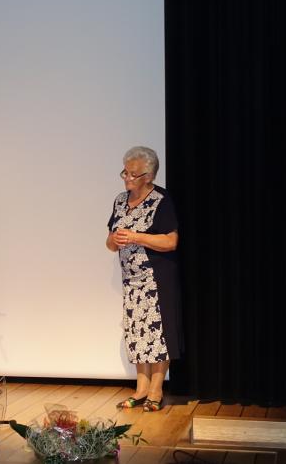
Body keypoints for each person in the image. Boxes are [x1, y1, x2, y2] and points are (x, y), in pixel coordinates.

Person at [106, 146, 183, 412]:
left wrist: (136, 237)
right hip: (132, 280)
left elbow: (171, 241)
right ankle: (140, 389)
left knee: (157, 334)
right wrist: (115, 240)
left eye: (133, 174)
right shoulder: (120, 201)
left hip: (156, 279)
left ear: (148, 176)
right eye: (125, 172)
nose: (127, 178)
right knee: (137, 331)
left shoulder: (162, 200)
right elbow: (109, 243)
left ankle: (156, 390)